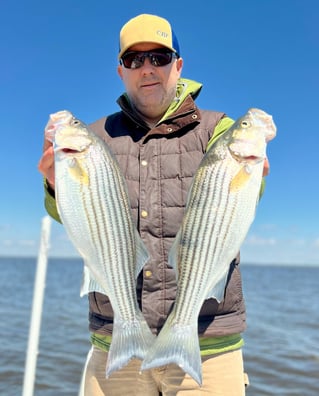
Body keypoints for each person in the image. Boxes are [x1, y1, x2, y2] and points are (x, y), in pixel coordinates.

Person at [38, 13, 269, 396]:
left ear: (178, 65)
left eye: (159, 57)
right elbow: (70, 217)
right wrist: (52, 184)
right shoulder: (96, 137)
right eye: (134, 60)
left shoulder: (220, 130)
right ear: (120, 71)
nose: (147, 68)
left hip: (208, 347)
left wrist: (252, 174)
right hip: (116, 344)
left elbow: (236, 207)